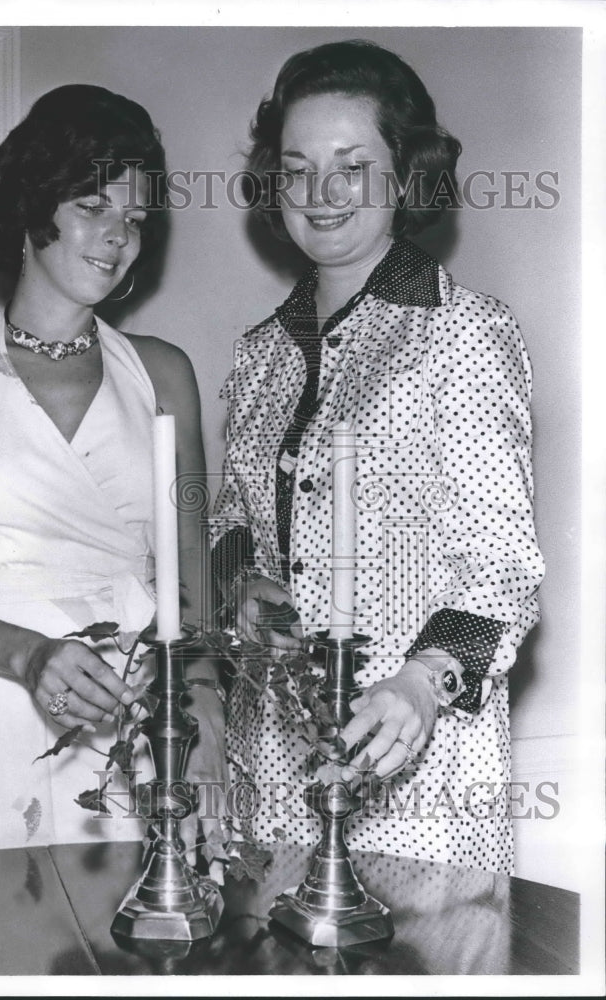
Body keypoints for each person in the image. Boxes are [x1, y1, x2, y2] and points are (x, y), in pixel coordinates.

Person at [210, 40, 544, 872]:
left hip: (414, 765)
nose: (320, 194)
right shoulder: (260, 354)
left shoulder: (461, 331)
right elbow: (229, 522)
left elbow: (503, 565)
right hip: (271, 758)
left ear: (406, 177)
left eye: (351, 167)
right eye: (297, 170)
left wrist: (423, 682)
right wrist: (241, 584)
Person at [0, 85, 224, 859]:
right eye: (94, 207)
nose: (119, 237)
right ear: (31, 209)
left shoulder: (164, 374)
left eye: (135, 219)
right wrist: (30, 657)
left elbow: (192, 584)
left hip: (136, 714)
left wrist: (204, 726)